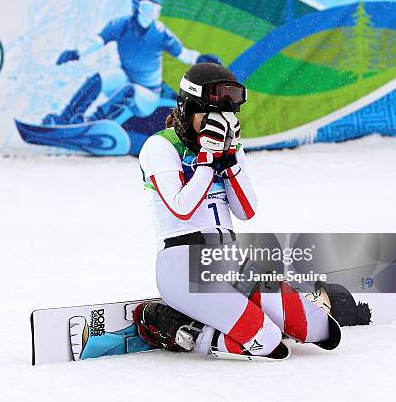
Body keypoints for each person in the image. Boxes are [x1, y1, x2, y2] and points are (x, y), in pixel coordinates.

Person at [134, 63, 342, 360]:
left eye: (225, 117)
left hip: (231, 259)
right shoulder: (160, 145)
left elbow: (246, 211)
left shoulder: (229, 148)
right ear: (188, 108)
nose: (219, 125)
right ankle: (172, 326)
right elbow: (182, 208)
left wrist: (230, 162)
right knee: (269, 343)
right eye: (210, 116)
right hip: (183, 264)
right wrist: (206, 161)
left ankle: (258, 313)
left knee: (318, 329)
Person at [42, 0, 221, 126]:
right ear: (136, 6)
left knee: (129, 89)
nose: (150, 14)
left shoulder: (160, 32)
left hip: (148, 93)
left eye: (155, 10)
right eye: (146, 7)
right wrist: (77, 52)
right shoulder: (122, 24)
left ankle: (94, 121)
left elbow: (183, 53)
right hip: (126, 77)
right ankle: (67, 118)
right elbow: (98, 40)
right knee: (98, 79)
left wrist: (201, 59)